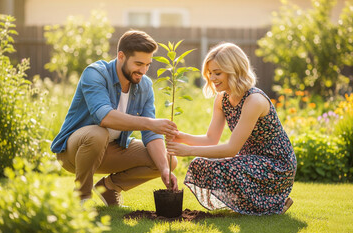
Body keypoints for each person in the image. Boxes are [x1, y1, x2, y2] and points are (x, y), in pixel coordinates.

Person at [166, 42, 296, 215]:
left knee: (228, 167)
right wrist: (179, 136)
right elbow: (211, 139)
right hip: (248, 161)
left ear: (234, 70)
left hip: (276, 166)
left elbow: (231, 149)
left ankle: (271, 204)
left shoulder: (254, 100)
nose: (212, 78)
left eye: (217, 73)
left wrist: (187, 150)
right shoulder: (222, 99)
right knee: (200, 164)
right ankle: (265, 205)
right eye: (210, 73)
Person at [51, 30, 178, 206]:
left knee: (167, 160)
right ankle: (81, 198)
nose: (143, 70)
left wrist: (164, 169)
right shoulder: (95, 73)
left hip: (112, 150)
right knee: (98, 134)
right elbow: (104, 116)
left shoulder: (145, 85)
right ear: (121, 56)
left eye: (148, 64)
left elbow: (151, 134)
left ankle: (109, 188)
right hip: (74, 151)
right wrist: (150, 123)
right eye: (139, 63)